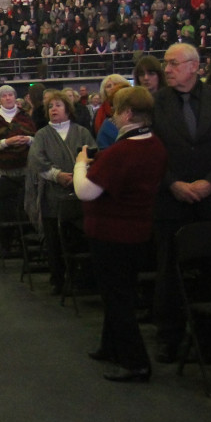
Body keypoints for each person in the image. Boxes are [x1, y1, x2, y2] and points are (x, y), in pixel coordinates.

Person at [151, 43, 211, 365]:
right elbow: (151, 152)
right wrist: (173, 183)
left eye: (173, 63)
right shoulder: (157, 102)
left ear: (194, 66)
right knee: (169, 272)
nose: (168, 69)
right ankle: (169, 338)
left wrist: (210, 182)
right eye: (166, 64)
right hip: (171, 200)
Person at [74, 86, 167, 383]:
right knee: (119, 291)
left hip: (112, 233)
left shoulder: (122, 151)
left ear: (127, 113)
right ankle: (110, 345)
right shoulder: (156, 145)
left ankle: (135, 362)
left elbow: (85, 191)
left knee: (117, 297)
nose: (112, 115)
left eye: (115, 110)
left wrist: (79, 165)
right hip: (138, 230)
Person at [27, 89, 95, 295]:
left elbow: (93, 154)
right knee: (54, 240)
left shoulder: (82, 132)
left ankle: (81, 278)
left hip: (79, 195)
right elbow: (37, 161)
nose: (54, 109)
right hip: (52, 197)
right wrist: (57, 175)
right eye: (50, 107)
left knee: (78, 238)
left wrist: (78, 174)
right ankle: (58, 279)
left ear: (68, 108)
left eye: (58, 105)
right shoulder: (42, 134)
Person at [0, 85, 36, 257]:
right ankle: (4, 244)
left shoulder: (24, 116)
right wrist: (7, 142)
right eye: (4, 96)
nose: (8, 98)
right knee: (3, 208)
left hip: (24, 167)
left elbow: (36, 138)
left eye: (11, 95)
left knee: (23, 206)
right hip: (1, 169)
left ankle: (23, 242)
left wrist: (27, 139)